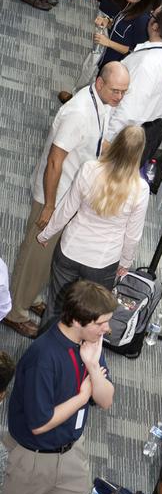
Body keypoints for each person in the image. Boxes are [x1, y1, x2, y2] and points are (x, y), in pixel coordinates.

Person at [3, 64, 129, 339]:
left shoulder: (102, 104)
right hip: (54, 196)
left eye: (124, 92)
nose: (120, 97)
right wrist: (49, 205)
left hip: (69, 196)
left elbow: (95, 144)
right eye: (116, 91)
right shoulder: (78, 112)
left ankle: (31, 296)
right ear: (99, 84)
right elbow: (54, 161)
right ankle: (15, 312)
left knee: (48, 258)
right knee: (35, 256)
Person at [0, 280, 116, 494]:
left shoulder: (89, 346)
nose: (107, 329)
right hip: (32, 458)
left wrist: (92, 365)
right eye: (101, 323)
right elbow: (40, 424)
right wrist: (81, 396)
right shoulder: (43, 355)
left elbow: (105, 399)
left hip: (72, 454)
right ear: (78, 320)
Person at [37, 125, 148, 328]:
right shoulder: (140, 189)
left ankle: (43, 353)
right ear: (139, 153)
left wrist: (47, 233)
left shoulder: (89, 168)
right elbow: (133, 235)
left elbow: (66, 208)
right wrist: (125, 262)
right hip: (103, 262)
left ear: (115, 144)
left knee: (55, 306)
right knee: (88, 318)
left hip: (70, 249)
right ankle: (73, 357)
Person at [109, 5, 162, 160]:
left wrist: (106, 140)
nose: (149, 16)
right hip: (152, 133)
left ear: (155, 26)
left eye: (152, 14)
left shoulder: (146, 63)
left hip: (128, 137)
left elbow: (128, 112)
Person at [91, 0, 159, 69]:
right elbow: (120, 27)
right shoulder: (130, 4)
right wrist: (107, 21)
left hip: (117, 65)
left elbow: (134, 50)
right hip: (105, 56)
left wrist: (108, 43)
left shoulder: (143, 20)